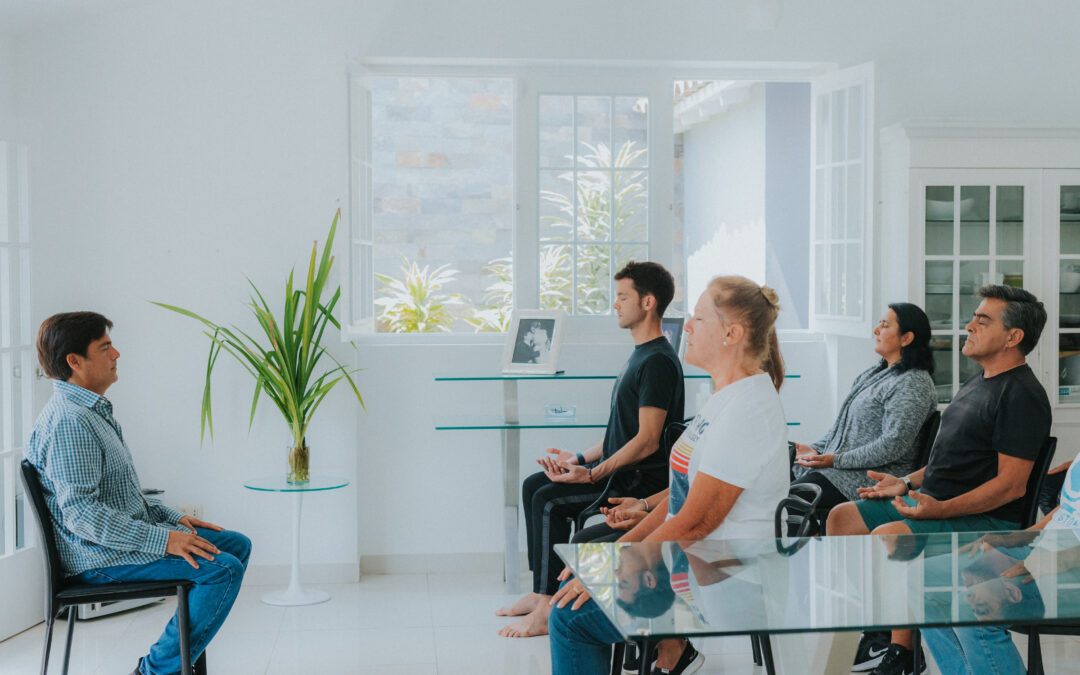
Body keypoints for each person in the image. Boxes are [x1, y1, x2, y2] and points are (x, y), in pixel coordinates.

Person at [547, 275, 789, 675]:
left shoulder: (747, 411)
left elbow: (697, 521)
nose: (686, 327)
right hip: (697, 563)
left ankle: (677, 650)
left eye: (698, 318)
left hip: (724, 582)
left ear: (732, 333)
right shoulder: (724, 399)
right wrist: (618, 553)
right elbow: (682, 502)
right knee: (571, 591)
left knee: (570, 618)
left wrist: (617, 564)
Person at [827, 285, 1051, 675]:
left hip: (985, 521)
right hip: (933, 501)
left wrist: (939, 510)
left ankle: (902, 649)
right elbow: (950, 462)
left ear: (1013, 337)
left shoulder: (1021, 395)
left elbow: (1012, 486)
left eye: (983, 321)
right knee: (841, 519)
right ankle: (882, 630)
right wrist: (907, 483)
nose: (968, 326)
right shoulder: (977, 382)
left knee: (889, 537)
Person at [23, 312, 251, 675]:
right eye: (106, 347)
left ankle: (174, 659)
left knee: (235, 544)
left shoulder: (91, 411)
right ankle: (156, 670)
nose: (117, 354)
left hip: (112, 546)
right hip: (97, 560)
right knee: (221, 570)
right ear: (75, 362)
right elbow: (84, 516)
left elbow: (122, 495)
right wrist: (165, 541)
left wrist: (172, 518)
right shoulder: (71, 422)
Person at [497, 261, 685, 638]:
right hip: (616, 472)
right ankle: (539, 592)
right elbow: (621, 432)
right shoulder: (640, 355)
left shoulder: (659, 362)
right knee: (535, 485)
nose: (614, 305)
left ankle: (549, 605)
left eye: (622, 297)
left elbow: (647, 440)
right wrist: (579, 460)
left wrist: (594, 474)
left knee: (550, 501)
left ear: (648, 302)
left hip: (636, 484)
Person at [792, 303, 937, 528]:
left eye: (885, 325)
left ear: (906, 338)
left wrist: (834, 459)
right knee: (781, 467)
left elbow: (892, 445)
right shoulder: (874, 373)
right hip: (839, 469)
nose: (876, 330)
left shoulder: (913, 383)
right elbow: (841, 428)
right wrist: (816, 450)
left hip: (868, 479)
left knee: (793, 500)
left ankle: (800, 559)